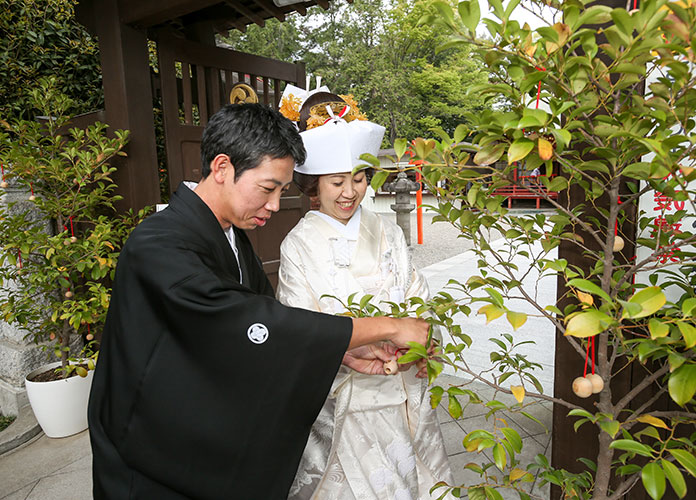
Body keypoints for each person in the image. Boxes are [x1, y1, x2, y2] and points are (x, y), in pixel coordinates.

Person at [87, 103, 429, 500]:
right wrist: (386, 326)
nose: (273, 204)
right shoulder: (157, 243)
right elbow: (247, 322)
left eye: (282, 191)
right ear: (222, 167)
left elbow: (268, 331)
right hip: (151, 459)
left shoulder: (232, 239)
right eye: (268, 188)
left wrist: (341, 353)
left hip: (197, 449)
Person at [277, 92, 453, 499]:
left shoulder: (388, 231)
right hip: (344, 393)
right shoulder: (298, 245)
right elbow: (299, 324)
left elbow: (416, 293)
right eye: (336, 181)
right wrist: (355, 345)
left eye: (358, 179)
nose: (349, 192)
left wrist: (425, 342)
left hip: (401, 384)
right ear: (313, 184)